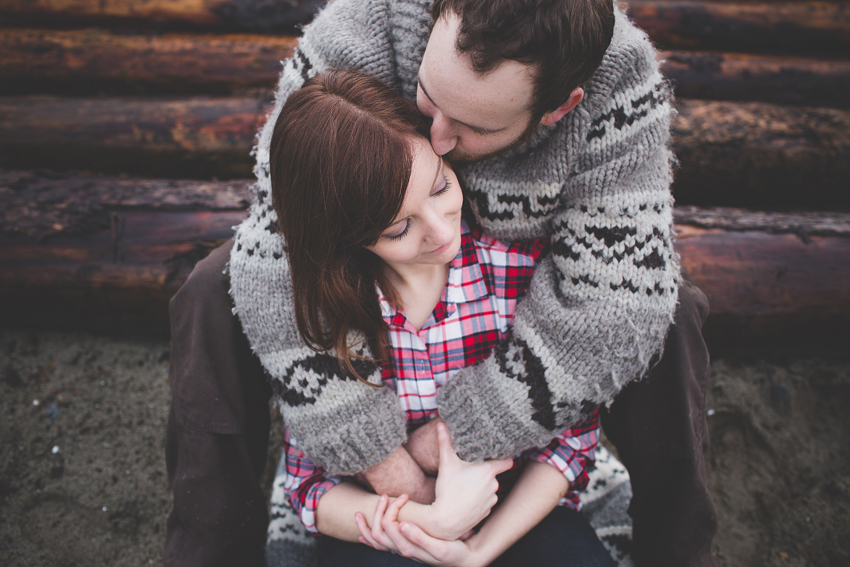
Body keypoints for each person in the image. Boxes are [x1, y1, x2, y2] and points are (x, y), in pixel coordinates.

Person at [165, 0, 716, 565]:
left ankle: (676, 549)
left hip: (523, 267)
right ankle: (212, 546)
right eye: (428, 96)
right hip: (367, 243)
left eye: (476, 125)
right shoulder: (360, 28)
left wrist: (458, 436)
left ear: (559, 107)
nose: (439, 135)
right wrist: (393, 469)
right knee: (214, 288)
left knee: (667, 309)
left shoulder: (615, 85)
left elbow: (615, 300)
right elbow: (281, 234)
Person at [268, 68, 615, 566]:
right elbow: (310, 487)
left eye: (439, 187)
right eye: (398, 227)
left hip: (515, 509)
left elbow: (571, 440)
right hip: (384, 524)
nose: (439, 230)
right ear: (344, 235)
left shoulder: (516, 271)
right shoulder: (323, 316)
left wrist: (476, 550)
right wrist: (434, 523)